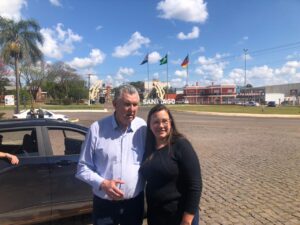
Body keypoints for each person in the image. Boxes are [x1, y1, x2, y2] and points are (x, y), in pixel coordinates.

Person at [76, 84, 147, 225]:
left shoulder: (142, 127)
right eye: (127, 104)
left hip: (134, 205)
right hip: (105, 206)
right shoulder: (97, 129)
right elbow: (82, 168)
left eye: (135, 104)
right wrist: (103, 184)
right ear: (115, 104)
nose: (132, 110)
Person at [140, 104, 202, 225]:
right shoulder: (147, 148)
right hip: (156, 216)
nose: (161, 126)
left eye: (164, 121)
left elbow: (195, 185)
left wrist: (187, 219)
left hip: (179, 217)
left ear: (171, 123)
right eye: (156, 122)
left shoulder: (181, 145)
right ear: (150, 125)